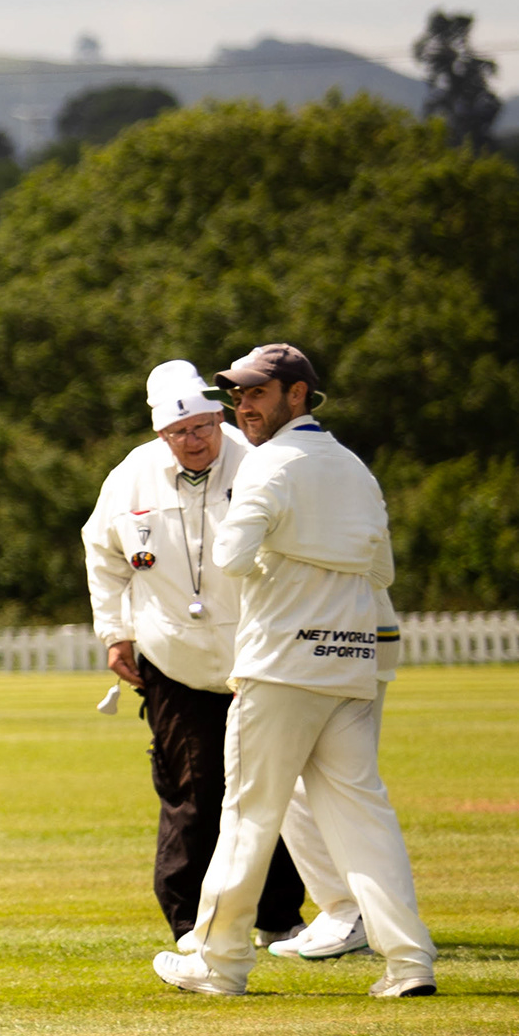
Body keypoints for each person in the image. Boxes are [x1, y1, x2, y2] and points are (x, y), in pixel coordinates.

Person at [156, 343, 438, 1000]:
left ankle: (219, 963)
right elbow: (382, 572)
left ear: (299, 395)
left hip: (280, 666)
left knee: (250, 813)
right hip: (350, 665)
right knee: (364, 819)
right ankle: (409, 962)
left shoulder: (269, 467)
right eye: (238, 394)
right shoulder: (354, 470)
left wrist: (285, 563)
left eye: (257, 393)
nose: (242, 407)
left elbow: (231, 554)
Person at [82, 360, 349, 953]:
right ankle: (188, 925)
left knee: (270, 787)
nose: (195, 441)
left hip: (260, 654)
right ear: (159, 435)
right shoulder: (130, 477)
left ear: (218, 417)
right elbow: (102, 555)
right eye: (180, 433)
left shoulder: (260, 462)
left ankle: (282, 917)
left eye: (204, 426)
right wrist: (115, 633)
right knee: (194, 791)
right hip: (172, 658)